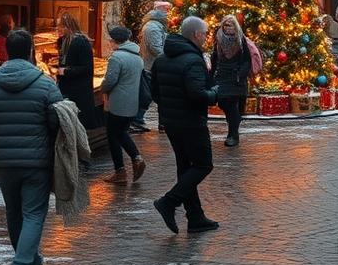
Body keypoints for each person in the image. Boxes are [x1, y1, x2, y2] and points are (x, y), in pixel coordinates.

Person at [0, 28, 66, 265]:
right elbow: (57, 119)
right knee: (34, 214)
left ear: (6, 51)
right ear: (31, 52)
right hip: (36, 161)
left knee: (14, 213)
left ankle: (31, 263)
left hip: (3, 162)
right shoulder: (45, 84)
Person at [150, 16, 221, 234]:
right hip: (191, 122)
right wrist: (214, 93)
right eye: (206, 33)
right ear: (196, 35)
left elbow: (154, 93)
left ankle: (195, 217)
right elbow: (197, 94)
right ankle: (169, 201)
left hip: (171, 122)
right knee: (202, 165)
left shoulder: (162, 59)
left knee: (185, 167)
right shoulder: (192, 60)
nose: (207, 37)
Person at [100, 26, 146, 184]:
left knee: (115, 134)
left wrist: (103, 87)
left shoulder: (117, 57)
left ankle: (128, 165)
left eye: (110, 40)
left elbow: (110, 81)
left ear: (115, 41)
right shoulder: (137, 57)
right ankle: (126, 167)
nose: (109, 43)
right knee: (120, 132)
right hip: (131, 102)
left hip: (117, 103)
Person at [54, 14, 96, 168]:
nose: (58, 29)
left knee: (78, 125)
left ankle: (83, 159)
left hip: (79, 92)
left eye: (61, 26)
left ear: (68, 27)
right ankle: (75, 157)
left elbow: (86, 68)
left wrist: (66, 71)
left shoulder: (80, 42)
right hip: (68, 89)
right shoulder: (64, 41)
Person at [211, 14, 252, 147]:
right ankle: (234, 127)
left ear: (236, 26)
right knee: (224, 102)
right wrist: (211, 76)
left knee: (233, 105)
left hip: (236, 77)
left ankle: (233, 134)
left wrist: (241, 74)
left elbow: (247, 59)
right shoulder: (218, 39)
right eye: (226, 25)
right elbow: (215, 58)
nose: (228, 27)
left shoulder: (241, 40)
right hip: (223, 75)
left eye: (231, 24)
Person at [136, 1, 171, 131]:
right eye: (166, 9)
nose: (168, 12)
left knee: (154, 94)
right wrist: (168, 58)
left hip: (153, 65)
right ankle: (137, 119)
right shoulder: (152, 27)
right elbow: (155, 48)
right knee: (148, 95)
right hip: (151, 66)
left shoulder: (156, 26)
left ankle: (160, 122)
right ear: (158, 10)